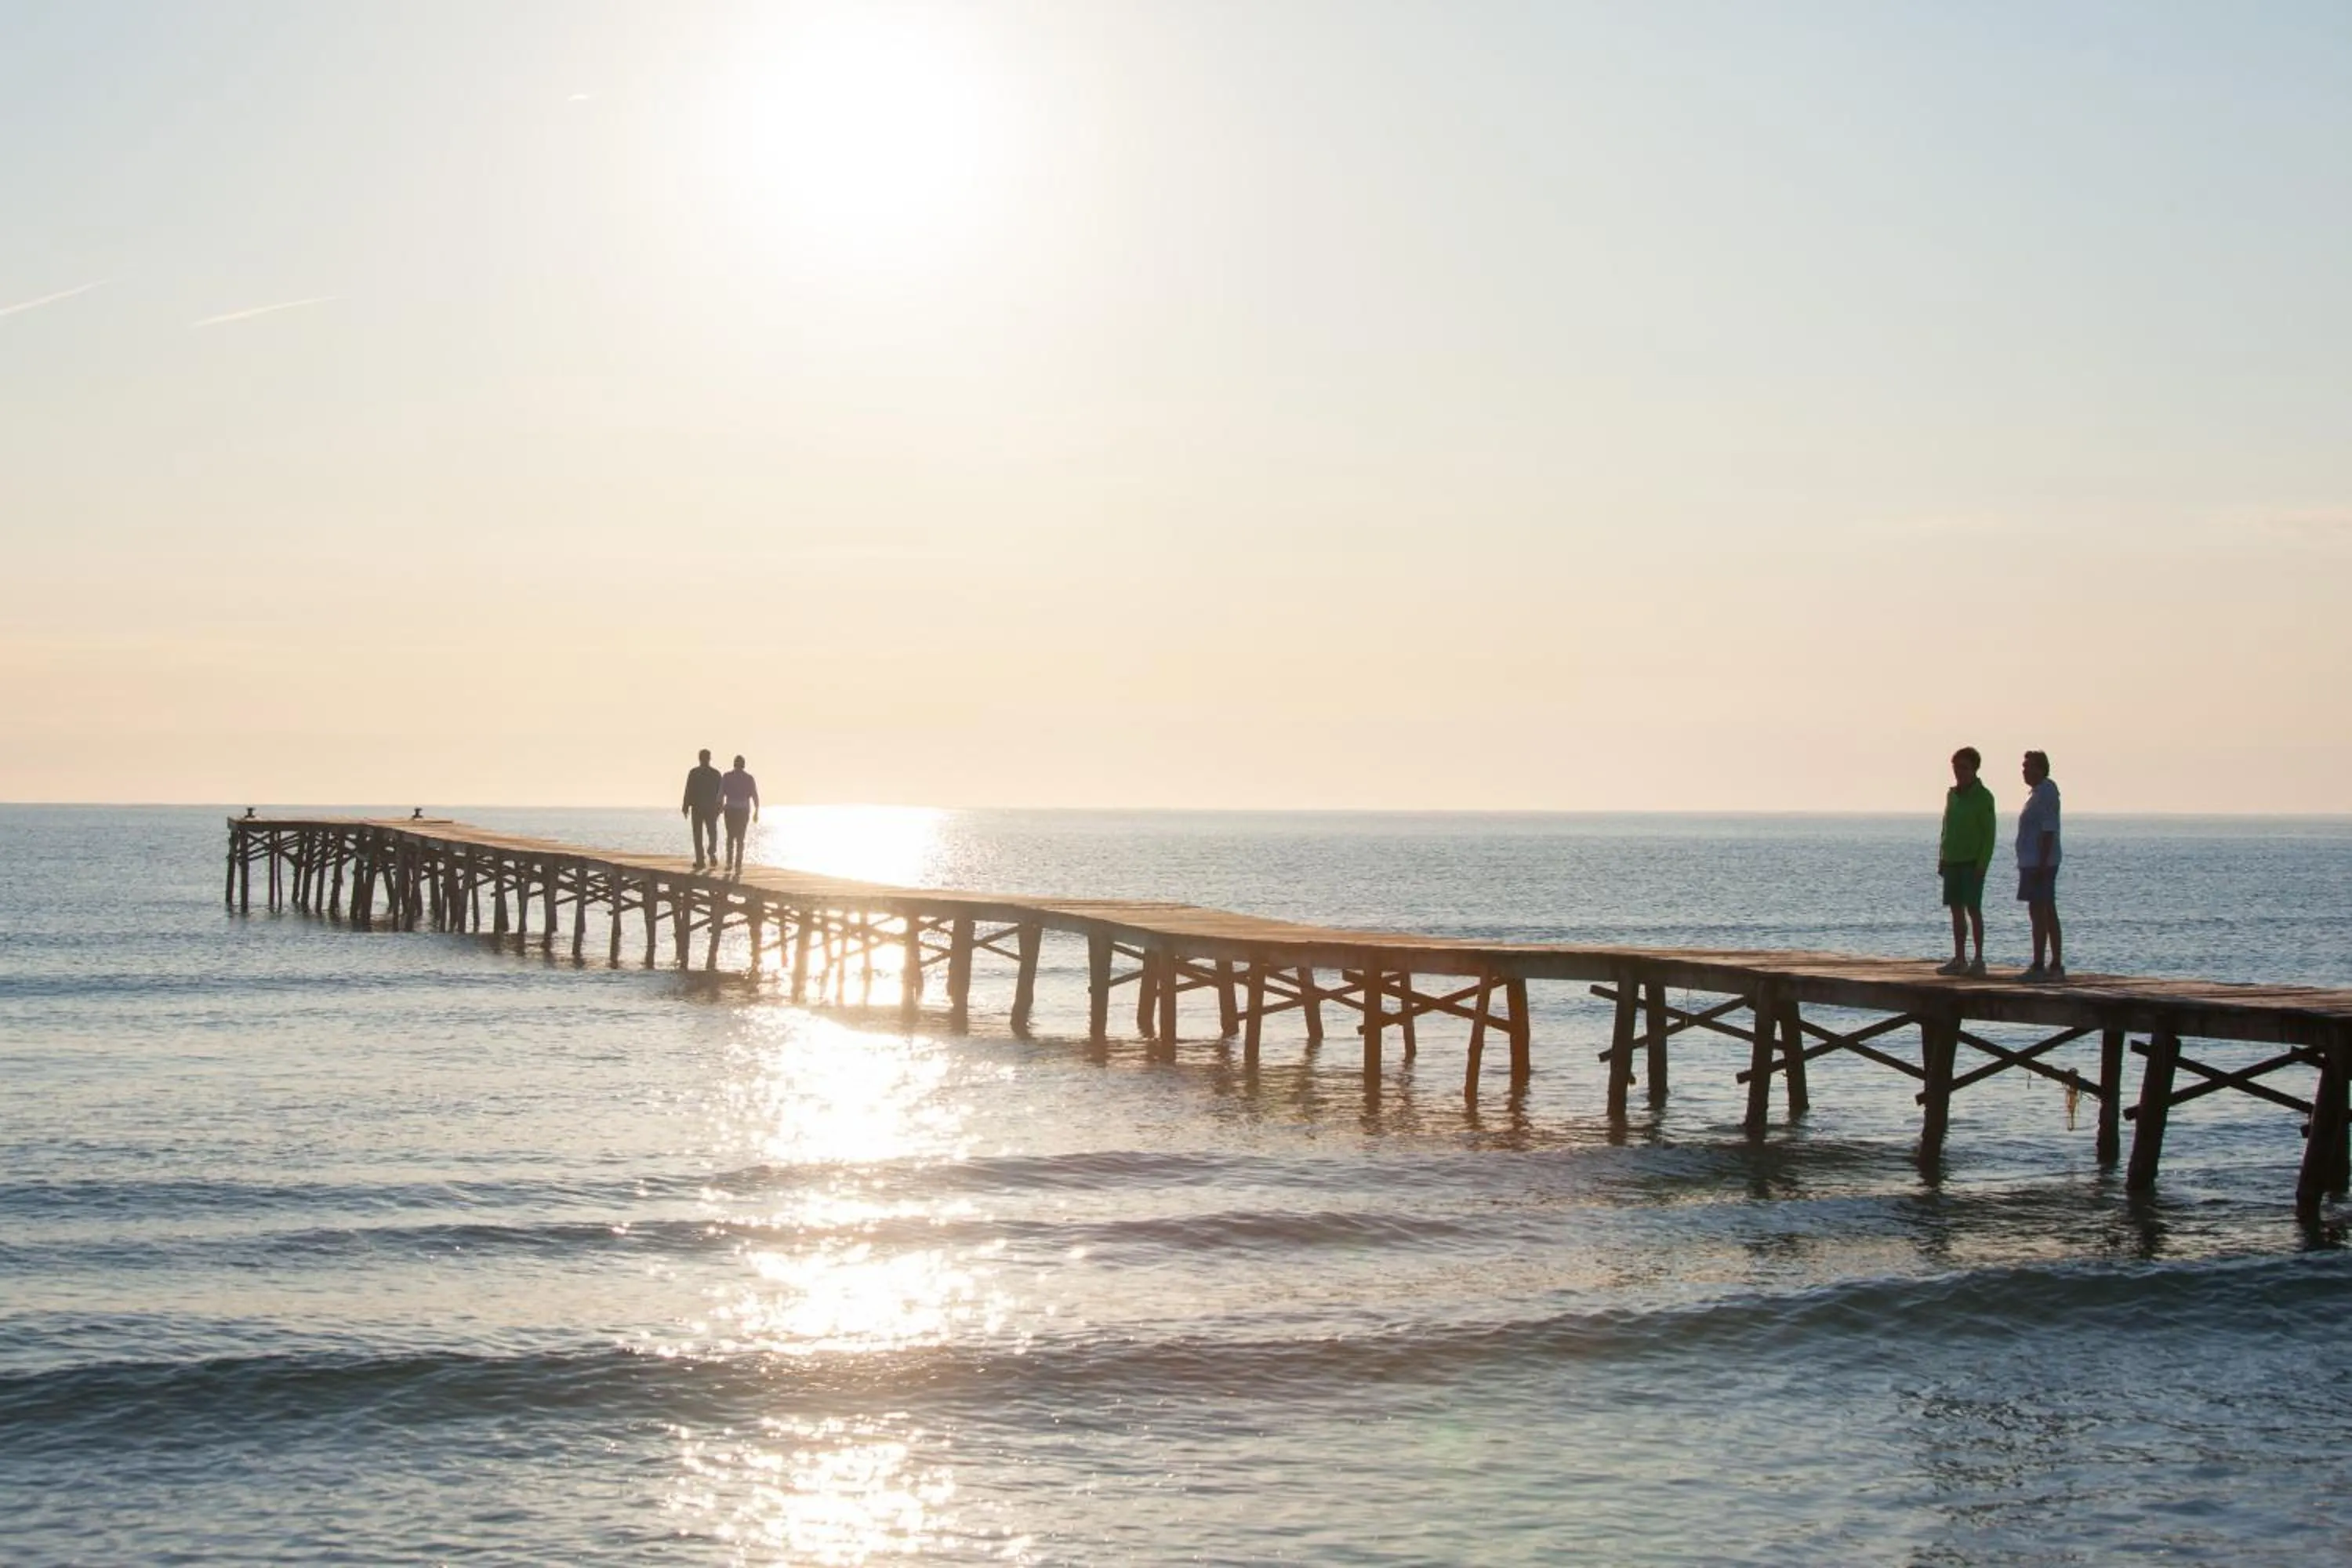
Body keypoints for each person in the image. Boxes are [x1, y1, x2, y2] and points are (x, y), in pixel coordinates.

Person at [1936, 746, 1996, 976]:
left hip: (1972, 861)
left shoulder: (1984, 797)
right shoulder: (1952, 795)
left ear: (1974, 769)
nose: (1959, 772)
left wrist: (1982, 864)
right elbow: (1946, 826)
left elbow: (1989, 835)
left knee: (1974, 909)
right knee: (1956, 910)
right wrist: (1942, 856)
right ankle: (1959, 958)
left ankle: (1978, 959)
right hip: (1952, 859)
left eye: (1964, 768)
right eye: (1956, 768)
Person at [2017, 750, 2063, 982]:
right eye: (2024, 767)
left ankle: (2041, 965)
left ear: (2041, 769)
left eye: (2029, 766)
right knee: (2045, 910)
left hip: (2039, 863)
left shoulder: (2046, 792)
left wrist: (2042, 863)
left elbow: (2048, 830)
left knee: (2040, 912)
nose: (2024, 771)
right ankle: (2052, 963)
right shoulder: (2036, 793)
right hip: (2032, 861)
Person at [681, 749, 723, 871]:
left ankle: (701, 859)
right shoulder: (715, 774)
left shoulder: (695, 773)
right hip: (709, 808)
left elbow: (688, 790)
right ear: (709, 758)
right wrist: (720, 807)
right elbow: (720, 793)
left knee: (699, 834)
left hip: (699, 808)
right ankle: (710, 853)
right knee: (712, 833)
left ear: (700, 758)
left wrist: (685, 806)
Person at [718, 754, 760, 877]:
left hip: (730, 809)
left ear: (734, 764)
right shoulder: (749, 778)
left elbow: (720, 794)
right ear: (744, 765)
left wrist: (719, 807)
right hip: (743, 810)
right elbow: (755, 795)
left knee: (730, 837)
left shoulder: (727, 776)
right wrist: (756, 811)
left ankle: (729, 863)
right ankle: (738, 864)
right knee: (740, 838)